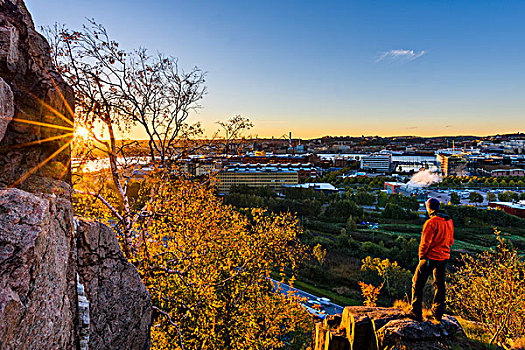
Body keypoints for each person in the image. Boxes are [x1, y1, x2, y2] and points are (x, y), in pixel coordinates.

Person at [409, 197, 454, 322]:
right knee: (440, 285)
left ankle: (416, 313)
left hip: (430, 257)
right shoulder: (448, 221)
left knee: (417, 283)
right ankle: (437, 313)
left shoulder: (431, 222)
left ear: (429, 207)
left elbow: (424, 243)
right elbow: (451, 240)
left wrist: (422, 257)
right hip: (444, 257)